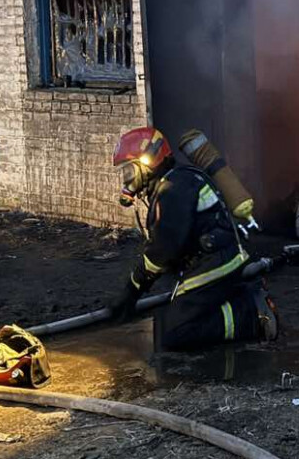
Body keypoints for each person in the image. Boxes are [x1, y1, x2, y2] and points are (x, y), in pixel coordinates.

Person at [110, 127, 278, 350]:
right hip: (213, 260)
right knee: (170, 318)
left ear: (146, 164)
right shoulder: (176, 181)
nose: (127, 180)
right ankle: (239, 298)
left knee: (175, 333)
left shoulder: (173, 189)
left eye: (129, 171)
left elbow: (162, 252)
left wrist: (132, 289)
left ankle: (250, 315)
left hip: (217, 263)